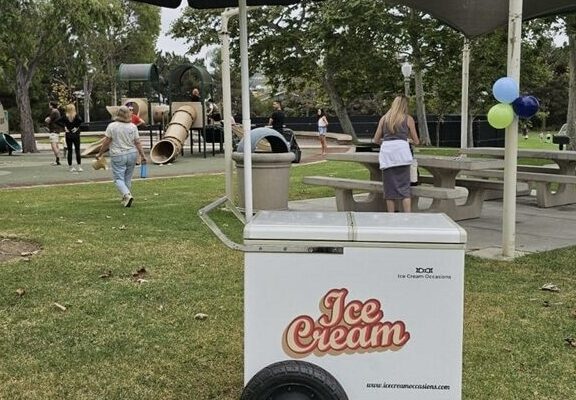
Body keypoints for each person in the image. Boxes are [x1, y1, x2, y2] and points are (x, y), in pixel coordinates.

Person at [372, 95, 420, 213]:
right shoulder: (408, 119)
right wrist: (407, 139)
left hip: (388, 155)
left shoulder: (384, 118)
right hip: (402, 155)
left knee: (389, 190)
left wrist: (387, 141)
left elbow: (376, 140)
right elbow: (417, 141)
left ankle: (391, 217)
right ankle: (407, 216)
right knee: (404, 189)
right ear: (405, 106)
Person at [96, 106, 147, 208]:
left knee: (118, 178)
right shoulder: (133, 126)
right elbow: (137, 142)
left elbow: (107, 141)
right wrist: (143, 155)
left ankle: (127, 195)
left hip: (118, 154)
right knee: (127, 177)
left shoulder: (112, 126)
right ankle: (125, 196)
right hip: (132, 153)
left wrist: (100, 153)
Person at [57, 104, 83, 172]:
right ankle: (79, 166)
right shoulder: (76, 116)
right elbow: (80, 120)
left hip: (68, 134)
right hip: (76, 134)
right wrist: (76, 127)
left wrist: (64, 127)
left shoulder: (65, 116)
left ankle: (70, 167)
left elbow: (57, 121)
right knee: (77, 150)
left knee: (70, 151)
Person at [45, 101, 63, 165]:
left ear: (52, 106)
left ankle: (58, 159)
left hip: (54, 131)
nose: (49, 106)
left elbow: (47, 120)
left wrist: (46, 119)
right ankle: (57, 158)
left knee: (53, 145)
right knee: (56, 145)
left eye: (49, 105)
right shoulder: (57, 112)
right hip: (56, 130)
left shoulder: (54, 112)